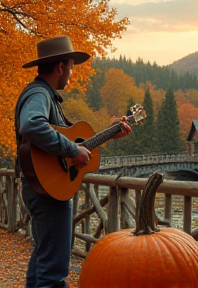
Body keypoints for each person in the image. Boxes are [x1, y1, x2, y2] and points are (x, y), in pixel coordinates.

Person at [14, 36, 132, 288]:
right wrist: (71, 149)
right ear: (60, 67)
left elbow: (77, 146)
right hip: (46, 191)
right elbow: (31, 125)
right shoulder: (39, 94)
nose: (70, 72)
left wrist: (110, 131)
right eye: (70, 66)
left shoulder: (47, 97)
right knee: (53, 270)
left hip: (43, 187)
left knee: (43, 259)